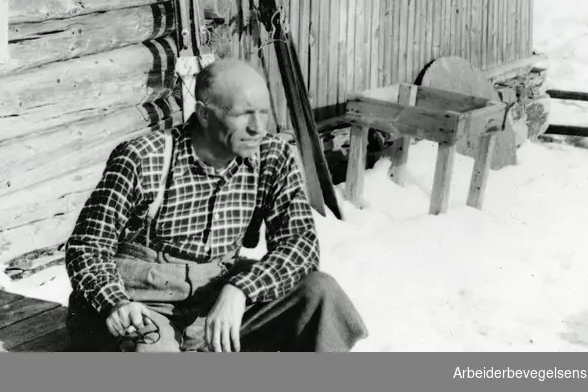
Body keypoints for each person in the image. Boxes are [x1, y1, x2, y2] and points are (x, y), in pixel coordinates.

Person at [64, 59, 368, 353]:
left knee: (319, 292)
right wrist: (114, 302)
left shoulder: (272, 157)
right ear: (205, 113)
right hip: (142, 302)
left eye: (264, 113)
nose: (258, 127)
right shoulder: (144, 157)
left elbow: (299, 245)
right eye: (244, 114)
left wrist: (242, 289)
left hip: (214, 301)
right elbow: (87, 246)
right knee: (152, 351)